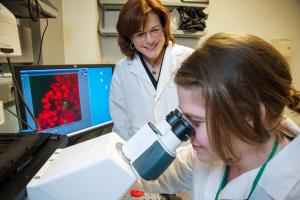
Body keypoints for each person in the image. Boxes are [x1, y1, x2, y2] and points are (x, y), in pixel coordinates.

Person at [134, 32, 300, 199]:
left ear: (251, 118)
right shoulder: (215, 151)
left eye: (196, 122)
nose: (185, 133)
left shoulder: (290, 191)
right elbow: (148, 176)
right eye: (184, 117)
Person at [109, 0, 194, 141]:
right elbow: (121, 127)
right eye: (140, 34)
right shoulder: (122, 70)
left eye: (155, 30)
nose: (150, 40)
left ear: (164, 28)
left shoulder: (189, 59)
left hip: (186, 154)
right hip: (141, 155)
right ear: (130, 39)